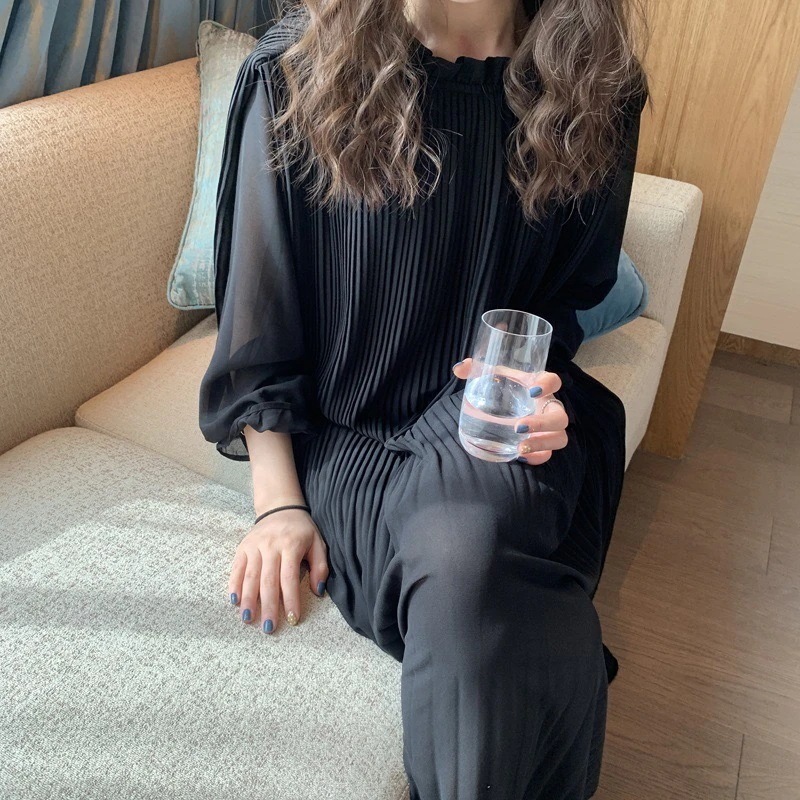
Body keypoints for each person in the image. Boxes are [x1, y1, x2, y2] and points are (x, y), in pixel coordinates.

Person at [199, 0, 649, 795]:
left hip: (496, 422)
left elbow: (567, 298)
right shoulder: (296, 71)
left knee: (473, 540)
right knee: (476, 562)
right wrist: (278, 505)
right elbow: (258, 331)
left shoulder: (598, 85)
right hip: (356, 438)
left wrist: (541, 390)